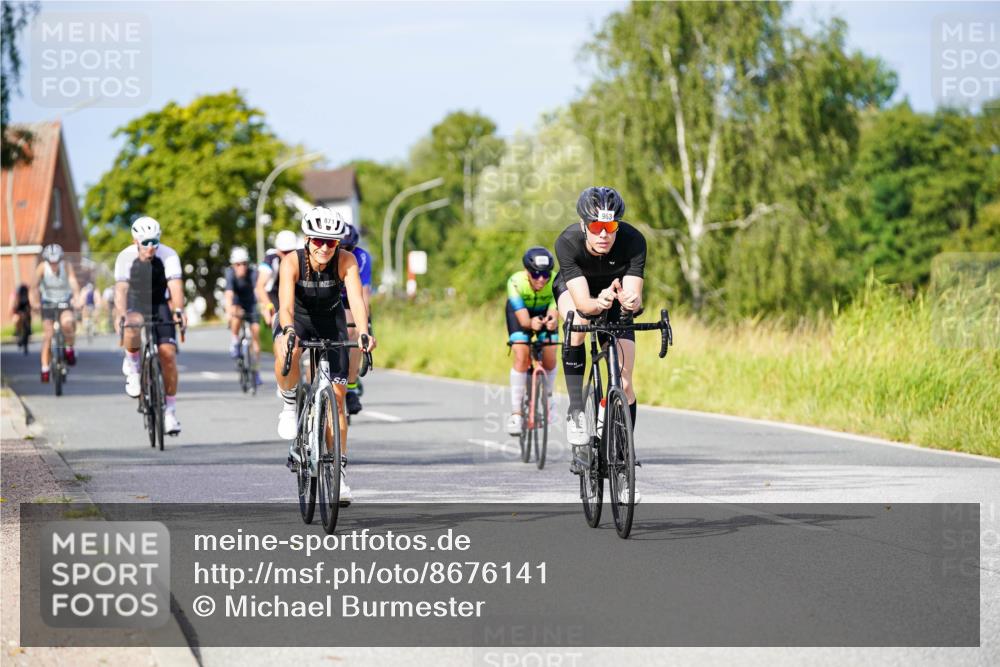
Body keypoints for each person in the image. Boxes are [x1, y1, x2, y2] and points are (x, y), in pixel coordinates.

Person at [273, 207, 375, 506]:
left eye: (331, 242)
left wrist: (365, 331)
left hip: (331, 321)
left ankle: (339, 473)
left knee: (338, 399)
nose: (323, 248)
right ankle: (290, 405)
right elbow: (285, 306)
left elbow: (356, 300)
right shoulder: (292, 262)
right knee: (285, 347)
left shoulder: (346, 260)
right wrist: (289, 330)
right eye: (318, 241)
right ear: (307, 239)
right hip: (299, 318)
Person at [554, 187, 646, 497]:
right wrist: (600, 301)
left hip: (614, 291)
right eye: (596, 227)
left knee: (625, 380)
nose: (604, 234)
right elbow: (584, 305)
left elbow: (635, 298)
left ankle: (621, 456)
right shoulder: (568, 243)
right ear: (584, 226)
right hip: (577, 291)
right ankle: (578, 411)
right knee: (577, 324)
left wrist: (630, 302)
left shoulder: (634, 241)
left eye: (611, 227)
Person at [114, 216, 187, 436]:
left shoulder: (168, 255)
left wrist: (179, 311)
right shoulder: (125, 257)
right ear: (135, 240)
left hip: (159, 303)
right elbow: (121, 290)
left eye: (154, 241)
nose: (151, 247)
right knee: (132, 325)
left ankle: (170, 413)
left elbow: (175, 285)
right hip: (136, 300)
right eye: (145, 242)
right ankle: (134, 369)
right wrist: (121, 315)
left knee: (168, 355)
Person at [505, 246, 559, 435]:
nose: (542, 279)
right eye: (536, 275)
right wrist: (530, 323)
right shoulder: (515, 282)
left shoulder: (555, 281)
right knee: (521, 355)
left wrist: (552, 320)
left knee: (551, 353)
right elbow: (524, 320)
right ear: (527, 272)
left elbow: (555, 308)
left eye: (545, 274)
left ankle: (549, 399)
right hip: (520, 315)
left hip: (544, 313)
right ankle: (516, 413)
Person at [32, 244, 81, 382]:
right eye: (51, 262)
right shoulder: (42, 268)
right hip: (48, 302)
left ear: (60, 259)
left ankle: (69, 348)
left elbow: (73, 281)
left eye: (56, 262)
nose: (54, 265)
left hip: (64, 300)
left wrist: (76, 297)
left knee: (68, 323)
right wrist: (35, 302)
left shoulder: (66, 266)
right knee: (48, 335)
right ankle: (45, 368)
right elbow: (34, 287)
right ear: (47, 261)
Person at [340, 222, 372, 416]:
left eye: (349, 248)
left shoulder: (361, 258)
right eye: (341, 248)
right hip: (331, 296)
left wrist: (364, 327)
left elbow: (364, 294)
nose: (345, 252)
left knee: (355, 333)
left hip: (351, 297)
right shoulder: (326, 253)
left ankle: (351, 387)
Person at [224, 246, 261, 387]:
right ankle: (234, 341)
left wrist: (262, 306)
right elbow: (229, 294)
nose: (242, 267)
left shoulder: (253, 273)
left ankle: (256, 372)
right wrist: (229, 310)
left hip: (250, 303)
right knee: (236, 316)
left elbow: (257, 289)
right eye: (238, 264)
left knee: (256, 333)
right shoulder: (230, 274)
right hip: (237, 302)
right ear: (233, 265)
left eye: (244, 263)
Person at [256, 229, 299, 338]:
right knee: (277, 325)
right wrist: (268, 305)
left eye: (291, 251)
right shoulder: (271, 259)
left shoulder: (300, 257)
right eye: (285, 252)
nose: (288, 255)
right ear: (278, 251)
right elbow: (260, 286)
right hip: (273, 294)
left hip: (292, 292)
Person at [10, 282, 32, 352]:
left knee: (27, 325)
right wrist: (14, 312)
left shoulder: (28, 294)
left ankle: (27, 333)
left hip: (26, 309)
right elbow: (11, 307)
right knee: (16, 319)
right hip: (18, 309)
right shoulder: (14, 296)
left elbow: (31, 303)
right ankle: (17, 331)